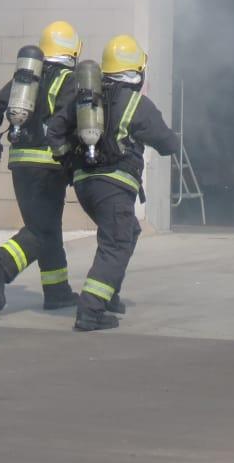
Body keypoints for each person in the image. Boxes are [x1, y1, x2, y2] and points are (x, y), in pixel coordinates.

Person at [47, 34, 179, 332]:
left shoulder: (84, 100)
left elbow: (54, 131)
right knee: (117, 241)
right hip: (114, 187)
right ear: (137, 71)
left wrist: (67, 159)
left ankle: (108, 295)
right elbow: (168, 143)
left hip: (84, 186)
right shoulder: (137, 105)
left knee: (126, 231)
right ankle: (91, 310)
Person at [0, 21, 81, 312]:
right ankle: (0, 265)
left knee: (47, 226)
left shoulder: (25, 79)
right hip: (50, 166)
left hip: (21, 166)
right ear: (72, 52)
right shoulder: (70, 81)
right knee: (40, 230)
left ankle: (57, 292)